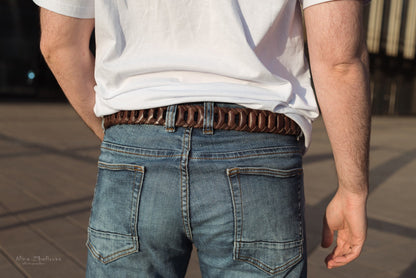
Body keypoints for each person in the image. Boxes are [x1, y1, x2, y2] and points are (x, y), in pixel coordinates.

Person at [34, 0, 371, 277]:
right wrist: (353, 188)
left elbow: (58, 44)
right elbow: (340, 59)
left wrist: (124, 138)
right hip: (257, 151)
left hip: (136, 142)